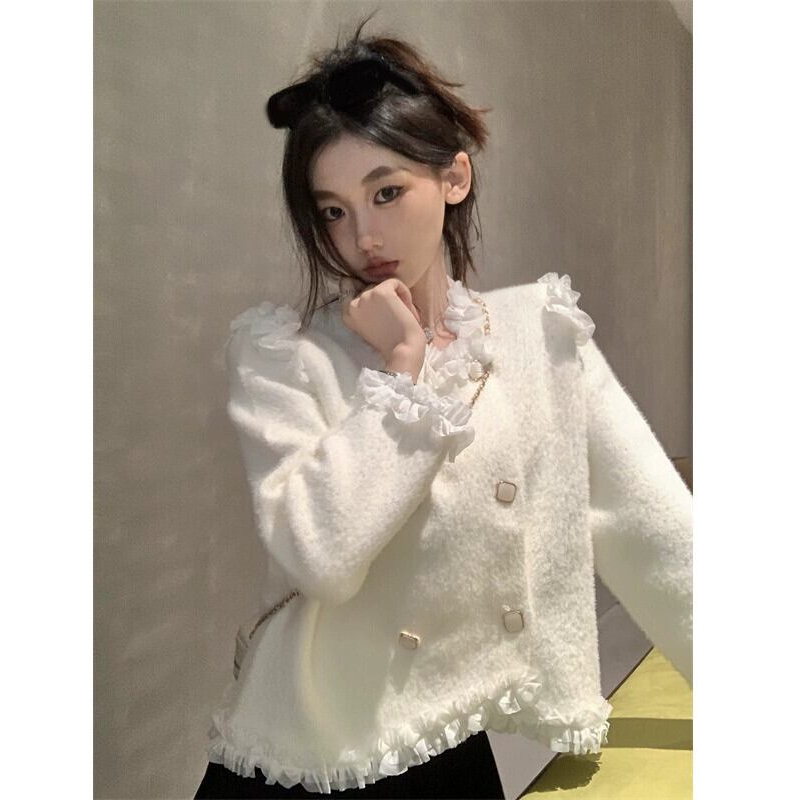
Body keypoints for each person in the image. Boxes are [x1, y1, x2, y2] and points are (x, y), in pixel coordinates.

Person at [194, 12, 692, 799]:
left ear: (453, 179)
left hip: (445, 744)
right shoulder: (282, 354)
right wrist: (404, 368)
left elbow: (656, 534)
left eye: (386, 191)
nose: (363, 236)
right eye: (332, 210)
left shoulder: (538, 335)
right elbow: (319, 558)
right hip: (302, 754)